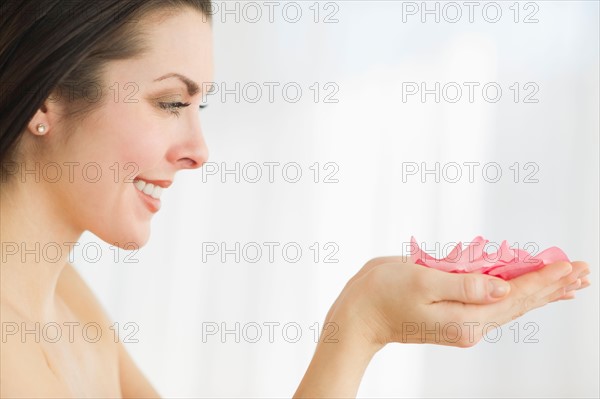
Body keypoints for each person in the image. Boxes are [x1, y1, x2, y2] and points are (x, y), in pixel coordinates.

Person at [0, 1, 590, 397]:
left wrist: (364, 317)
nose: (199, 149)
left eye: (199, 105)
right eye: (171, 103)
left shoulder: (67, 304)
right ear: (46, 101)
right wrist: (362, 325)